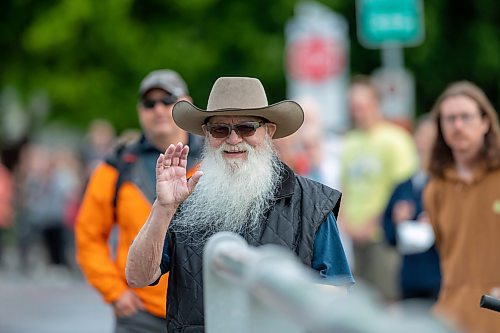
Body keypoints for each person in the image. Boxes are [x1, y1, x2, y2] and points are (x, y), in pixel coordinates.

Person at [125, 76, 354, 333]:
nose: (233, 140)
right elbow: (137, 277)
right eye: (220, 130)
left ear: (268, 131)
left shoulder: (312, 201)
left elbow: (337, 291)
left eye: (246, 128)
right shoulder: (182, 197)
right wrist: (163, 208)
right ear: (207, 135)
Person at [75, 69, 200, 333]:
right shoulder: (117, 167)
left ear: (186, 104)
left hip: (201, 314)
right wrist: (114, 292)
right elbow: (88, 236)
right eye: (149, 103)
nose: (158, 109)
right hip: (140, 315)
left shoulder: (213, 161)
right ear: (140, 110)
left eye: (167, 100)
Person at [423, 81, 500, 333]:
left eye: (466, 117)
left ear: (485, 122)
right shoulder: (435, 188)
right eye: (450, 119)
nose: (458, 126)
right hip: (453, 314)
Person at [339, 75, 418, 300]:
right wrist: (344, 221)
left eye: (362, 106)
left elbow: (401, 190)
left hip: (383, 235)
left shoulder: (395, 139)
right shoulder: (351, 141)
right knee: (362, 301)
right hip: (354, 234)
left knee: (386, 299)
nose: (357, 112)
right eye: (353, 107)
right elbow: (345, 185)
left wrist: (372, 222)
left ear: (376, 103)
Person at [382, 115, 441, 304]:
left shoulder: (448, 187)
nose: (427, 142)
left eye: (432, 137)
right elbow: (388, 233)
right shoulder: (403, 186)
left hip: (440, 277)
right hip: (409, 277)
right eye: (422, 136)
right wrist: (397, 221)